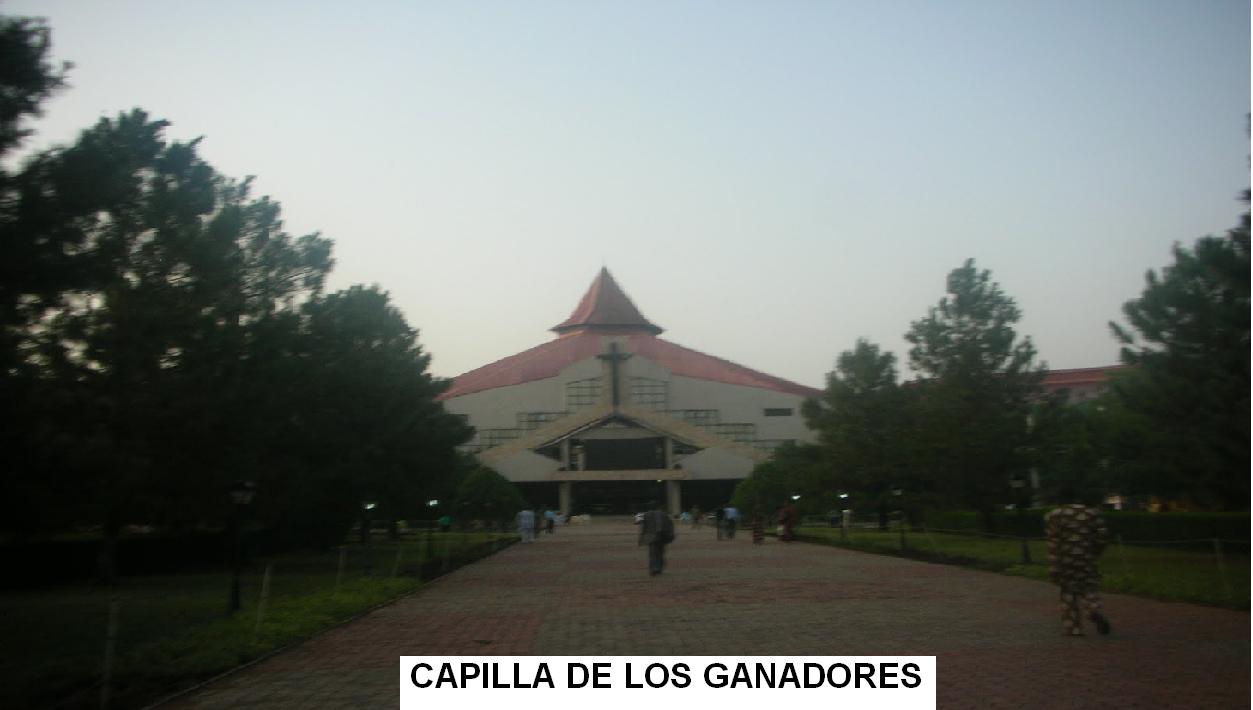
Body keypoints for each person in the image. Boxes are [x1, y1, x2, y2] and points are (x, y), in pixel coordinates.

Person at [1045, 491, 1111, 636]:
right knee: (1089, 587)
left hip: (1065, 560)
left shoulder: (1054, 515)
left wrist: (1054, 566)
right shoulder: (1092, 513)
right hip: (1086, 558)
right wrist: (1094, 552)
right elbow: (1102, 537)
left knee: (1068, 593)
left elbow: (1053, 543)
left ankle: (1073, 628)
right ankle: (1093, 609)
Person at [638, 502, 675, 576]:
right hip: (661, 537)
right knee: (660, 553)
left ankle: (652, 569)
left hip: (650, 538)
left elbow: (643, 528)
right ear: (658, 507)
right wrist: (670, 535)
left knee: (652, 554)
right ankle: (659, 569)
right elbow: (670, 525)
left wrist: (641, 538)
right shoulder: (663, 514)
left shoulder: (646, 515)